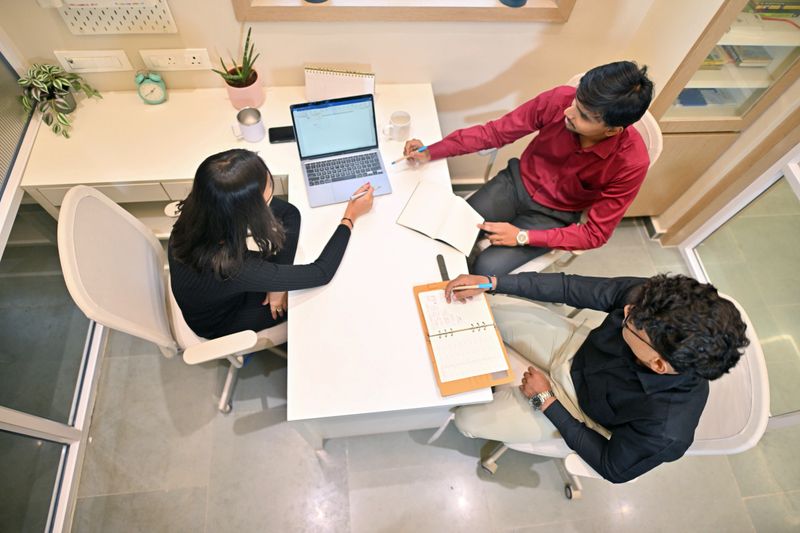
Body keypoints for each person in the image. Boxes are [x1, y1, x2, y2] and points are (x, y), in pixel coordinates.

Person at [444, 272, 749, 483]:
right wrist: (493, 282)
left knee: (466, 421)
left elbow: (611, 466)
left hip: (576, 409)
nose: (627, 309)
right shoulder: (652, 304)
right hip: (575, 347)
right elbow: (570, 287)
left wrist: (546, 402)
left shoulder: (667, 430)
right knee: (482, 304)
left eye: (629, 323)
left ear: (658, 363)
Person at [404, 61, 654, 276]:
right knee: (451, 235)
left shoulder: (631, 162)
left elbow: (595, 234)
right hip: (515, 183)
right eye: (575, 102)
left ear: (612, 130)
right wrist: (432, 150)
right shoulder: (560, 100)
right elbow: (494, 132)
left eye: (583, 115)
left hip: (554, 216)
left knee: (485, 268)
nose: (568, 112)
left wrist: (524, 236)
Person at [168, 149, 373, 339]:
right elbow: (321, 273)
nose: (270, 184)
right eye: (266, 193)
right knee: (310, 305)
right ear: (248, 209)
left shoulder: (205, 203)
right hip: (221, 320)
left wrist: (277, 287)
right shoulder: (233, 267)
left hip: (209, 293)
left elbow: (289, 212)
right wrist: (350, 217)